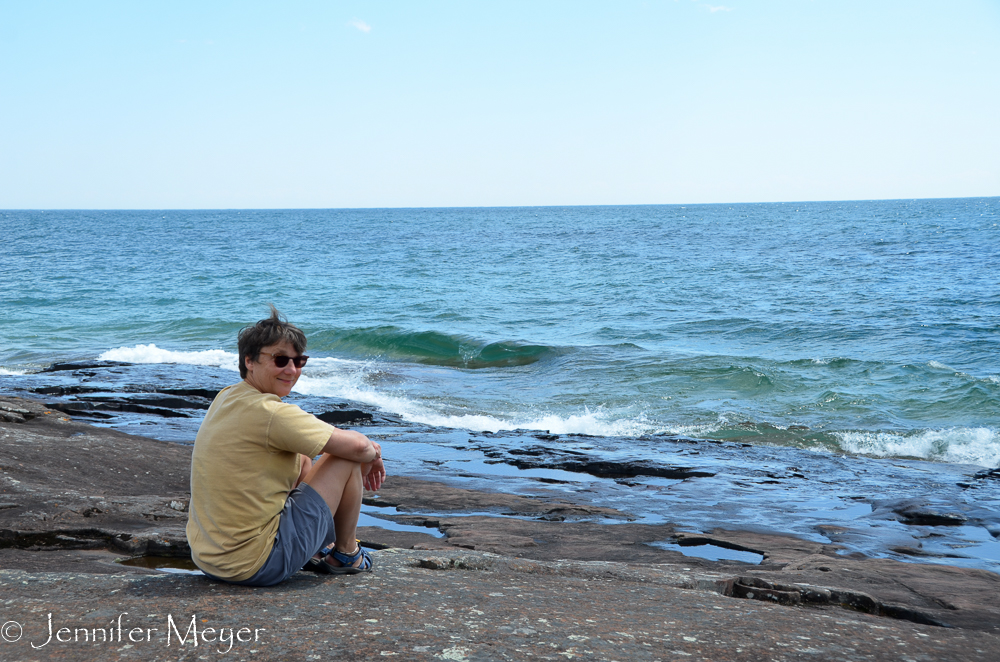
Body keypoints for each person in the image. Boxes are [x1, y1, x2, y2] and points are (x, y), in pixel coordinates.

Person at [186, 306, 385, 586]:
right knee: (344, 458)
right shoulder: (272, 414)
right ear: (250, 361)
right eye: (280, 360)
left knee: (301, 455)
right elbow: (355, 449)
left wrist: (363, 448)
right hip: (257, 564)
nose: (291, 370)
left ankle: (315, 548)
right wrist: (373, 453)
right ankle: (347, 553)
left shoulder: (228, 396)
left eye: (299, 361)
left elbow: (308, 446)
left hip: (211, 559)